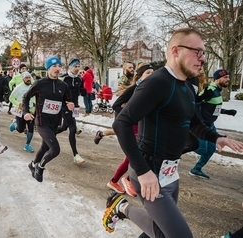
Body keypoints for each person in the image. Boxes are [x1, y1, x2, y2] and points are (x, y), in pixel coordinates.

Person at [102, 28, 243, 237]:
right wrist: (142, 171)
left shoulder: (186, 87)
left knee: (160, 233)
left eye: (204, 53)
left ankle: (120, 208)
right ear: (175, 51)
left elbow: (193, 121)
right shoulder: (157, 82)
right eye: (197, 52)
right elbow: (121, 123)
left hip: (169, 172)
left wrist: (217, 137)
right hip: (149, 171)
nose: (202, 59)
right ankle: (121, 207)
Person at [103, 63, 154, 197]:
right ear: (140, 76)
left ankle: (117, 180)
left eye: (153, 73)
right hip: (132, 126)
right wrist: (128, 115)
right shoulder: (134, 89)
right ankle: (124, 179)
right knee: (135, 153)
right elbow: (116, 105)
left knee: (140, 153)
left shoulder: (151, 90)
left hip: (144, 126)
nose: (151, 75)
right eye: (148, 73)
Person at [22, 56, 74, 182]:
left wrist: (70, 106)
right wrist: (26, 112)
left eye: (59, 66)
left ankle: (33, 164)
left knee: (45, 147)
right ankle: (40, 167)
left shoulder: (63, 85)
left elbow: (68, 101)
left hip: (54, 123)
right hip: (41, 122)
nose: (57, 69)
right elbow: (26, 97)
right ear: (48, 68)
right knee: (55, 149)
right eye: (54, 66)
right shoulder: (40, 84)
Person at [189, 69, 237, 179]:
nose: (228, 80)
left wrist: (227, 112)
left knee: (210, 149)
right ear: (217, 79)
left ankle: (196, 169)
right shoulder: (209, 90)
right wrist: (200, 122)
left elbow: (213, 108)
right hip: (202, 126)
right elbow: (195, 105)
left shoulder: (217, 90)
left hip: (210, 125)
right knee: (201, 149)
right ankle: (180, 143)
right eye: (225, 77)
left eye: (228, 77)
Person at [57, 58, 85, 165]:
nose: (77, 69)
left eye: (78, 66)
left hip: (75, 107)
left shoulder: (79, 79)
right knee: (72, 128)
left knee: (64, 127)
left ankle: (49, 134)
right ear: (70, 67)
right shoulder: (64, 78)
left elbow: (80, 91)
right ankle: (76, 155)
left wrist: (84, 91)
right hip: (65, 106)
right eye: (75, 67)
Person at [9, 71, 36, 152]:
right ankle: (15, 124)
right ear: (23, 79)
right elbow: (11, 98)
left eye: (29, 77)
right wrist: (18, 104)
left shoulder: (32, 87)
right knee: (20, 130)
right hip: (21, 111)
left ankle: (27, 145)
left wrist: (34, 108)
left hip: (30, 110)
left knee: (31, 128)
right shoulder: (18, 87)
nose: (28, 79)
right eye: (26, 78)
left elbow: (35, 98)